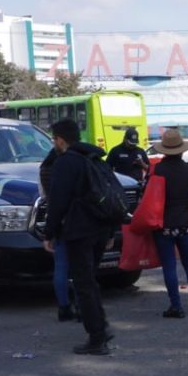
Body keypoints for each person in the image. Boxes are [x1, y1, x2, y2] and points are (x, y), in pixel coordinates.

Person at [42, 119, 115, 356]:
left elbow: (58, 202)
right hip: (101, 227)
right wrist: (111, 230)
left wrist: (49, 233)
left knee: (84, 284)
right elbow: (109, 193)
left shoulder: (65, 163)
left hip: (79, 230)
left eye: (54, 139)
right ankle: (101, 327)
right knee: (91, 281)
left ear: (60, 140)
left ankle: (97, 336)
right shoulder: (94, 158)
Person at [151, 129, 188, 317]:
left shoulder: (157, 170)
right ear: (182, 150)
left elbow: (147, 196)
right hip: (187, 222)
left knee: (169, 265)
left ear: (164, 150)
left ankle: (176, 306)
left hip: (164, 224)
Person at [39, 140, 77, 323]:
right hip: (76, 222)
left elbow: (46, 199)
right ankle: (81, 305)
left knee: (60, 266)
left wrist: (49, 232)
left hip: (58, 223)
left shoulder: (45, 168)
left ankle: (63, 307)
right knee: (80, 267)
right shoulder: (72, 166)